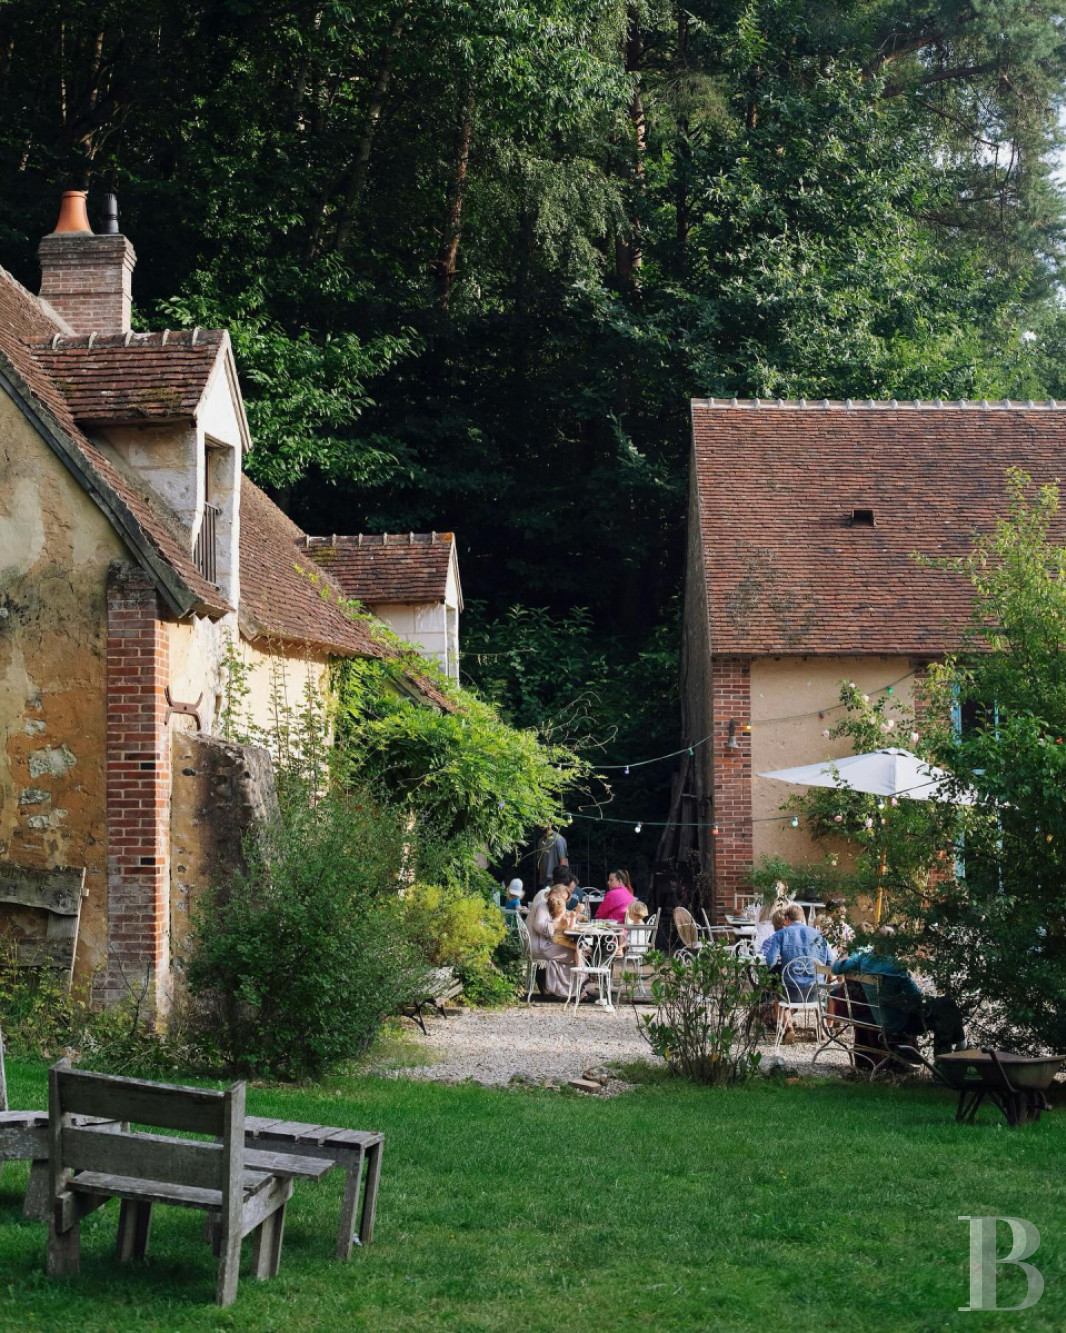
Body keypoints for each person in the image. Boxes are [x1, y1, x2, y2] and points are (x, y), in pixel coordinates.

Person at [831, 926, 965, 1056]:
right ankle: (951, 1054)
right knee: (946, 1007)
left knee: (946, 1005)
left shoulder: (864, 959)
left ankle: (959, 1045)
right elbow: (916, 997)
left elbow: (836, 969)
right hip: (897, 1022)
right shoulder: (895, 967)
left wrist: (844, 959)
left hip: (880, 1017)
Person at [763, 903, 829, 1001]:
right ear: (802, 919)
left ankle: (781, 1014)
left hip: (790, 992)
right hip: (816, 992)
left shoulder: (781, 934)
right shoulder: (818, 934)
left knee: (773, 982)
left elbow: (770, 961)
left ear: (786, 919)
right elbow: (830, 962)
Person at [527, 886, 579, 999]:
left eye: (565, 900)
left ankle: (566, 989)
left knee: (575, 950)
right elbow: (539, 925)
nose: (563, 902)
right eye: (562, 898)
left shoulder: (546, 905)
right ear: (554, 893)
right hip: (539, 946)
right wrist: (557, 924)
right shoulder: (542, 904)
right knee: (576, 953)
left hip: (541, 943)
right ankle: (571, 990)